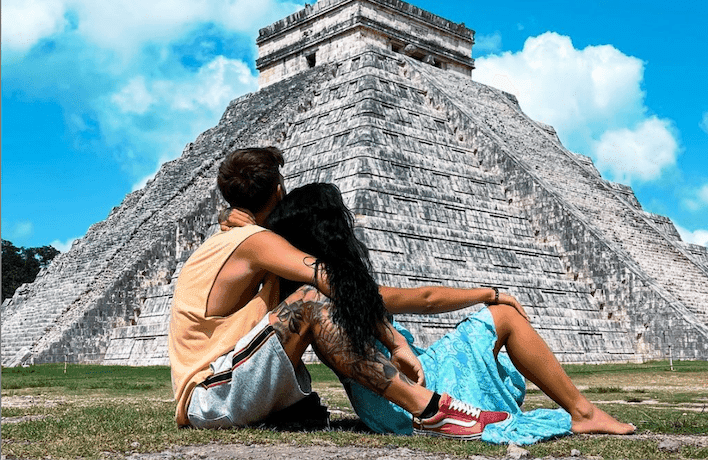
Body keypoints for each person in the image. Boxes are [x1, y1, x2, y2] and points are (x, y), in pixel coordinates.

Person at [223, 180, 636, 443]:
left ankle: (581, 411)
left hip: (383, 407)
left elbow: (237, 271)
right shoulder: (342, 291)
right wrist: (488, 293)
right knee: (505, 317)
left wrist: (241, 228)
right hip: (412, 395)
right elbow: (426, 299)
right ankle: (582, 412)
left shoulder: (289, 289)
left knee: (490, 322)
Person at [168, 147, 509, 440]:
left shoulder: (239, 239)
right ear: (278, 189)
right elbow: (325, 275)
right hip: (211, 396)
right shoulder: (254, 241)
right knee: (312, 299)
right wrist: (394, 341)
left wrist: (232, 216)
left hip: (222, 389)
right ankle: (430, 408)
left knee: (312, 298)